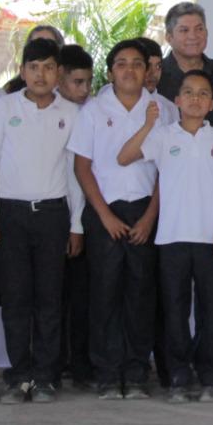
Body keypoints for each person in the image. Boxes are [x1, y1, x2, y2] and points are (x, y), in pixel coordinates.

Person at [118, 68, 213, 402]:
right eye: (189, 93)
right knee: (174, 311)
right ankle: (179, 377)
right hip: (171, 240)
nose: (195, 99)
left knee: (211, 311)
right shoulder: (164, 136)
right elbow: (124, 157)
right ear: (177, 100)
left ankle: (212, 375)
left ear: (211, 103)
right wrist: (147, 124)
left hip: (210, 238)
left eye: (203, 94)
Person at [0, 38, 84, 404]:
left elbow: (75, 173)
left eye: (49, 67)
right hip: (10, 215)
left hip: (54, 215)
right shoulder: (5, 108)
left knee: (50, 300)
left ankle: (45, 376)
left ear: (59, 73)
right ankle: (18, 375)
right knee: (16, 298)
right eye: (34, 67)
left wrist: (77, 225)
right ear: (23, 72)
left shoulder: (70, 113)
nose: (41, 75)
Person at [69, 40, 168, 399]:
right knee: (105, 294)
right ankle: (108, 373)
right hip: (104, 213)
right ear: (110, 72)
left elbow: (164, 172)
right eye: (121, 64)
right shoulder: (93, 111)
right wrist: (105, 216)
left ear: (148, 71)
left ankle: (137, 372)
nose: (129, 70)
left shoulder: (160, 111)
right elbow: (82, 168)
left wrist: (149, 217)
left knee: (141, 294)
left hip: (145, 211)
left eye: (137, 64)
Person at [55, 42, 95, 384]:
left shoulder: (93, 114)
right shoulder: (48, 113)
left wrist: (79, 223)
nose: (84, 91)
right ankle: (54, 362)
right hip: (53, 214)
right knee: (53, 296)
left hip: (84, 217)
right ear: (58, 79)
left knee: (83, 296)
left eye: (88, 82)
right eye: (76, 83)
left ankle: (81, 363)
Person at [158, 2, 213, 122]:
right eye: (184, 30)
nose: (193, 36)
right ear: (168, 37)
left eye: (199, 29)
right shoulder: (156, 75)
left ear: (206, 32)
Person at [3, 25, 65, 92]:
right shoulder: (12, 89)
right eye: (37, 43)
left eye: (49, 43)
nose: (43, 48)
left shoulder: (71, 88)